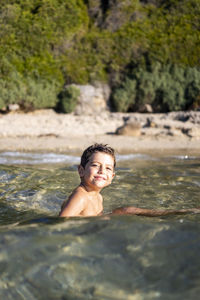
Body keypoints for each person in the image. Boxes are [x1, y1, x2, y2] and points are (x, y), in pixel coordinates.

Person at [59, 143, 200, 217]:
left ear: (112, 177)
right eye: (96, 165)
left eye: (108, 168)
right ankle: (179, 212)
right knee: (128, 210)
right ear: (81, 170)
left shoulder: (98, 196)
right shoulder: (81, 196)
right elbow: (61, 223)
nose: (102, 171)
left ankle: (179, 212)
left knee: (127, 210)